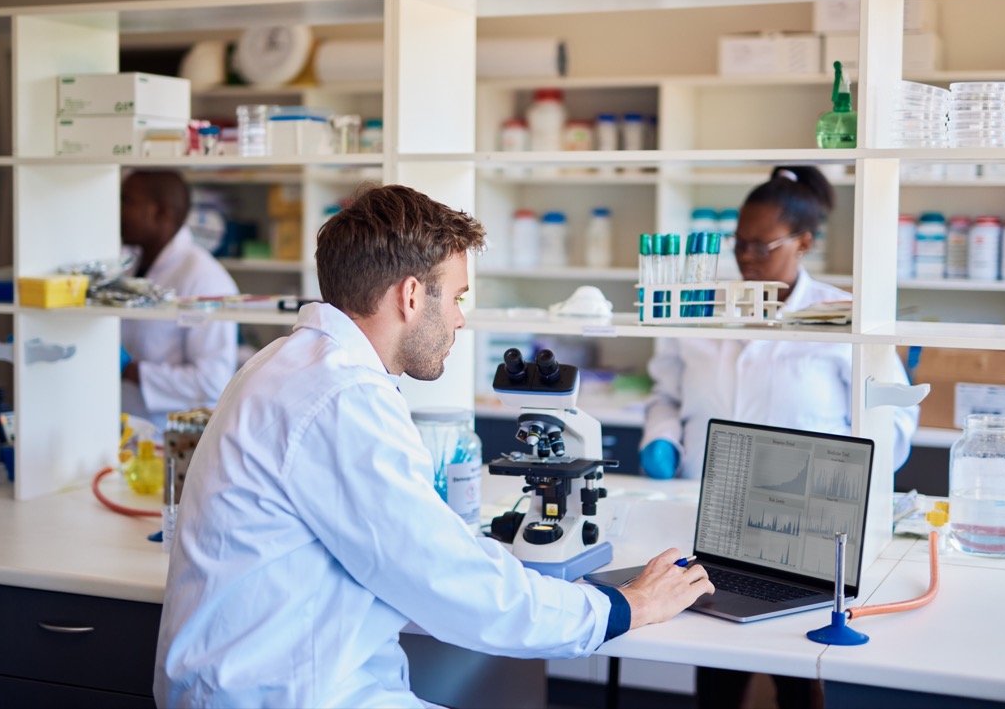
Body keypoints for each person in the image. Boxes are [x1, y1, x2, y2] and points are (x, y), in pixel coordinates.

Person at [154, 184, 714, 708]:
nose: (461, 319)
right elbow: (454, 583)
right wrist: (624, 606)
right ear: (412, 295)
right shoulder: (342, 396)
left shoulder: (287, 361)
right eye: (457, 297)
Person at [638, 165, 920, 709]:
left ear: (805, 241)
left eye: (761, 246)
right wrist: (663, 437)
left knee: (798, 664)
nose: (746, 258)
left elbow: (895, 425)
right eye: (738, 244)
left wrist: (855, 484)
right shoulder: (701, 310)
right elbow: (665, 394)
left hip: (804, 532)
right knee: (712, 656)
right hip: (709, 514)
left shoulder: (845, 319)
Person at [119, 169, 239, 429]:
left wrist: (132, 371)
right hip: (126, 425)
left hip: (171, 435)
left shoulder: (205, 278)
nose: (117, 210)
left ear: (161, 212)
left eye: (127, 201)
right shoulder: (129, 264)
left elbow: (212, 381)